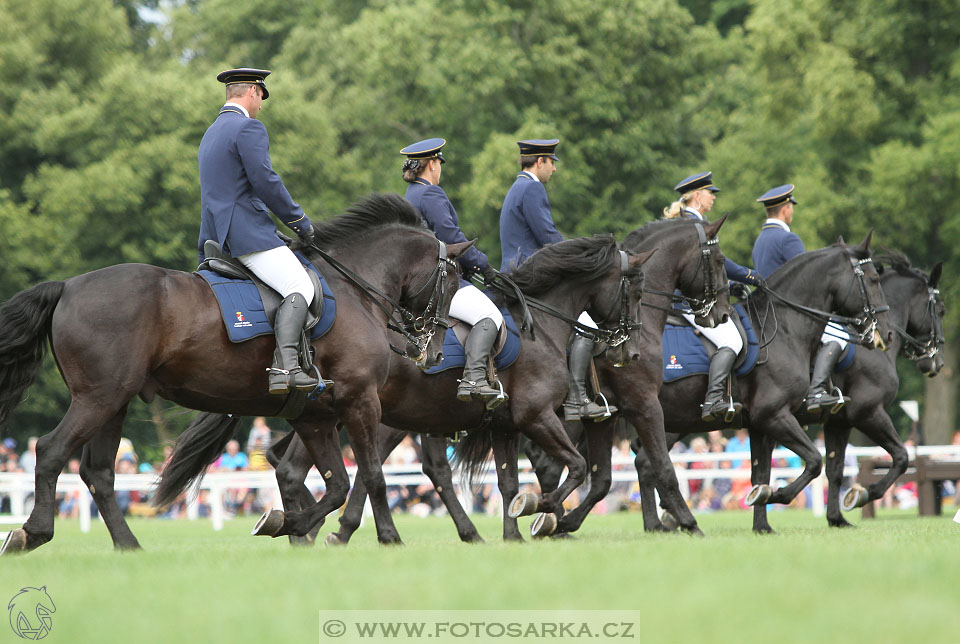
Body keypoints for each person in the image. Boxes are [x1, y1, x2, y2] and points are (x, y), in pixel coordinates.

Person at [198, 68, 331, 395]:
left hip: (218, 236)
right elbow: (266, 182)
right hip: (246, 235)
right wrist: (299, 221)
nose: (261, 106)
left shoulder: (211, 133)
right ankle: (285, 365)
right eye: (261, 97)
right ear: (253, 92)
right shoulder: (248, 128)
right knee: (301, 285)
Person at [499, 139, 616, 421]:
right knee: (587, 326)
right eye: (552, 163)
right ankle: (577, 397)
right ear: (540, 162)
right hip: (533, 275)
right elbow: (549, 238)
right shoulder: (532, 188)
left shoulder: (518, 187)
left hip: (519, 270)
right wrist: (587, 261)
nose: (554, 170)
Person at [400, 138, 506, 407]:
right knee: (489, 315)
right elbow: (451, 238)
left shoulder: (409, 195)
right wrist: (483, 266)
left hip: (414, 284)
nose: (440, 169)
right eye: (439, 163)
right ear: (433, 165)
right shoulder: (431, 194)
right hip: (438, 282)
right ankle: (473, 379)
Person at [665, 172, 764, 421]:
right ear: (697, 196)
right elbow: (721, 263)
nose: (714, 198)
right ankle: (713, 399)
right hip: (688, 301)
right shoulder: (693, 226)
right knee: (733, 341)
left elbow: (708, 270)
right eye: (711, 193)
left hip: (692, 296)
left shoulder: (691, 222)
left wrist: (729, 286)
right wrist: (750, 276)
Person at [751, 184, 849, 412]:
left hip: (768, 313)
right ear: (785, 209)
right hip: (790, 313)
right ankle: (816, 391)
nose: (792, 212)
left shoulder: (760, 240)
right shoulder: (788, 239)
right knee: (839, 336)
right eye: (791, 207)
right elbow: (807, 280)